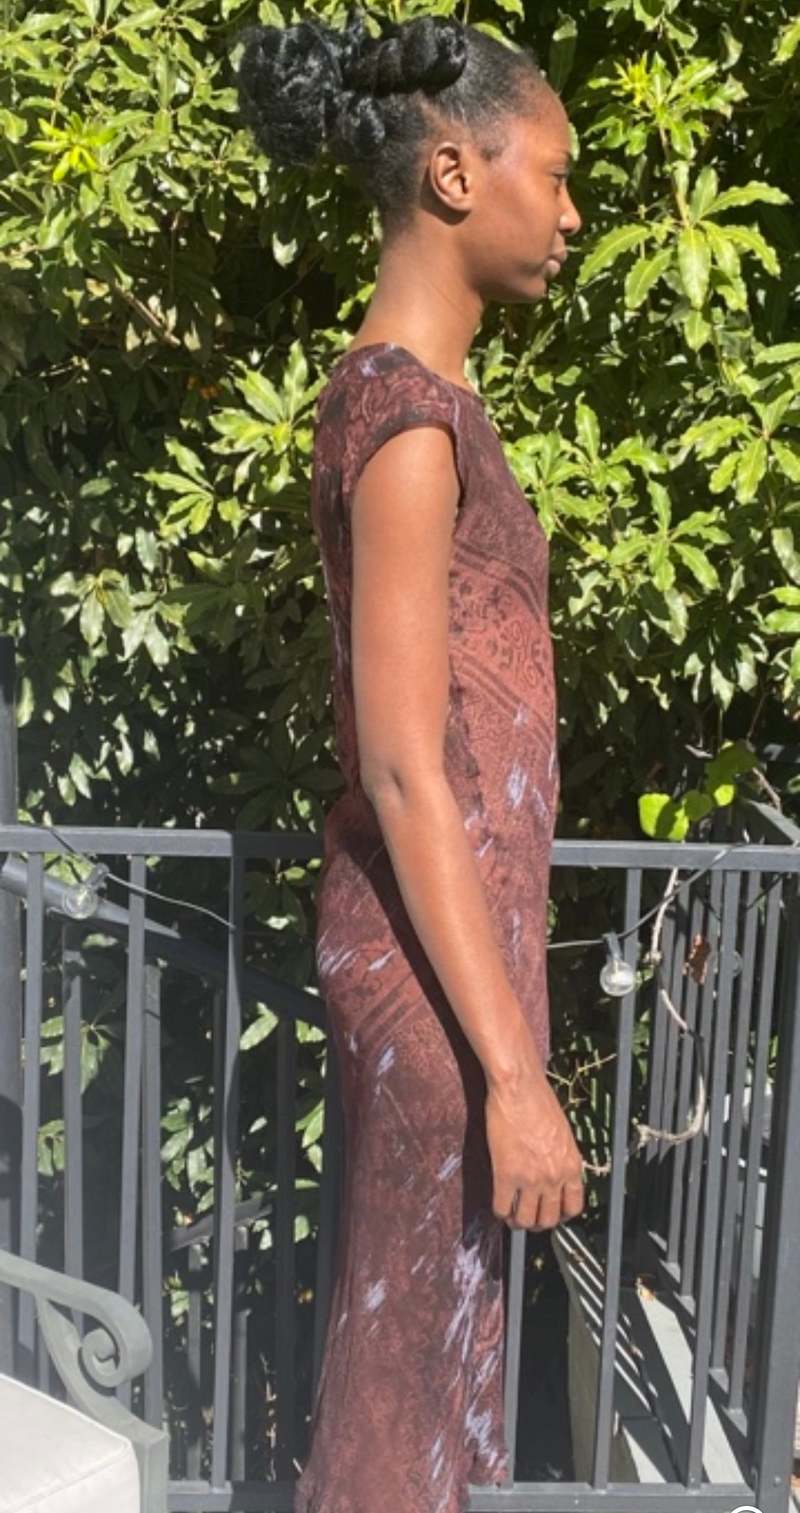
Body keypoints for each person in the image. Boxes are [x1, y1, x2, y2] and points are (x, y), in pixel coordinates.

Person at [235, 8, 585, 1510]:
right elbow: (399, 768)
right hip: (441, 1001)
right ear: (454, 174)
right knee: (405, 1411)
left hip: (463, 976)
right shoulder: (408, 424)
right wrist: (512, 1075)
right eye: (552, 175)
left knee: (438, 1387)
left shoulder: (418, 407)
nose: (570, 215)